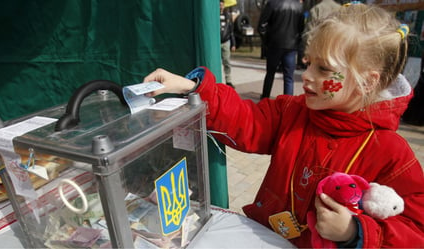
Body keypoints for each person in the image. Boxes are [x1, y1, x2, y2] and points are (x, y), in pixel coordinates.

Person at [144, 3, 424, 248]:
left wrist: (355, 232)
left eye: (323, 69)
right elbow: (246, 120)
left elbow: (416, 230)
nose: (307, 76)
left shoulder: (390, 153)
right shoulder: (293, 111)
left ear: (369, 81)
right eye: (308, 63)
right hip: (263, 237)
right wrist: (194, 88)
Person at [258, 0, 304, 98]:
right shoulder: (298, 6)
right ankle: (287, 101)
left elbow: (261, 26)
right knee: (289, 77)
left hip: (274, 44)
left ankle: (265, 98)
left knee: (270, 74)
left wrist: (266, 41)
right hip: (291, 45)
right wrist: (297, 43)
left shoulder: (272, 3)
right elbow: (301, 28)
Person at [220, 0, 236, 88]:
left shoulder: (228, 16)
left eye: (222, 5)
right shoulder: (214, 16)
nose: (221, 6)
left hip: (226, 41)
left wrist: (233, 43)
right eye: (219, 5)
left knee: (227, 62)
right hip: (217, 43)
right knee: (217, 63)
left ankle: (228, 80)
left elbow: (231, 31)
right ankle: (218, 80)